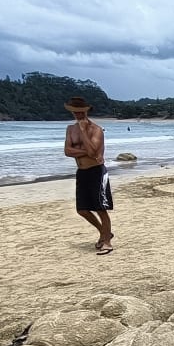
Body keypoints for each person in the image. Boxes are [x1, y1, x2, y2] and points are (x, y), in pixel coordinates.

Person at [63, 96, 113, 255]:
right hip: (82, 172)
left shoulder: (96, 129)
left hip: (96, 171)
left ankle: (107, 242)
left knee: (101, 208)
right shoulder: (70, 129)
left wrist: (84, 131)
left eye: (81, 112)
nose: (78, 115)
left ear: (86, 111)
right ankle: (104, 232)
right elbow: (67, 151)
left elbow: (93, 152)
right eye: (75, 112)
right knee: (82, 210)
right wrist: (86, 152)